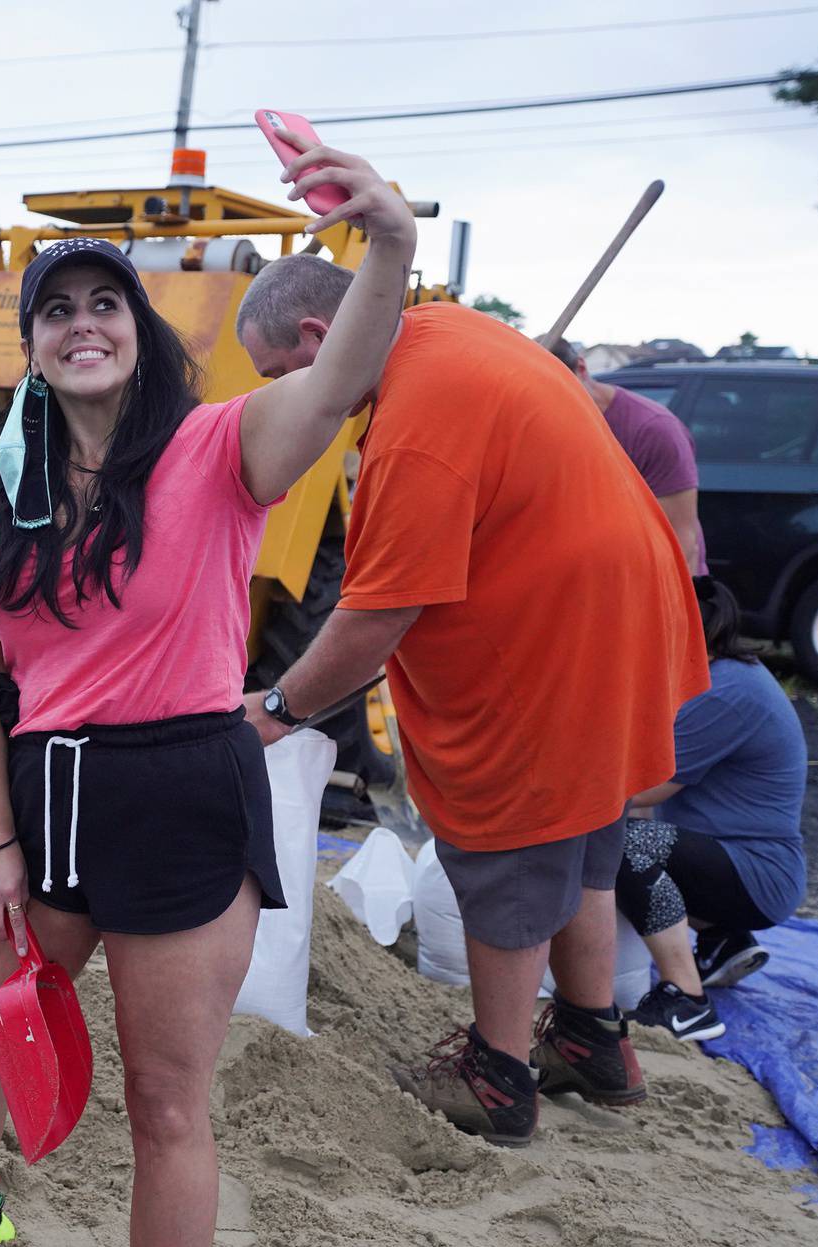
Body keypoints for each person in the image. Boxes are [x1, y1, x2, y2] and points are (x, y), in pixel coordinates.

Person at [0, 138, 417, 1247]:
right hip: (49, 793)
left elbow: (342, 373)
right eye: (56, 307)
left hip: (181, 793)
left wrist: (391, 242)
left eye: (105, 304)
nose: (83, 323)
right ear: (28, 343)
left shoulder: (219, 446)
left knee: (166, 1105)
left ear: (139, 329)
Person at [233, 254, 707, 1148]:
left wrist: (276, 708)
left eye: (279, 379)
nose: (284, 401)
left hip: (551, 634)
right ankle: (590, 1037)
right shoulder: (452, 329)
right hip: (622, 615)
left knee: (511, 842)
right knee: (584, 829)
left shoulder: (413, 426)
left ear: (316, 339)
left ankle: (498, 1076)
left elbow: (375, 620)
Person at [619, 577, 807, 1042]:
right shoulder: (723, 675)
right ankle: (722, 938)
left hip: (759, 873)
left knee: (624, 846)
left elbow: (643, 788)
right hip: (738, 859)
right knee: (629, 838)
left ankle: (687, 1000)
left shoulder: (725, 692)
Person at [548, 338, 706, 575]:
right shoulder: (545, 424)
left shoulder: (653, 430)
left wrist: (668, 609)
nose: (549, 399)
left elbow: (682, 540)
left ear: (581, 369)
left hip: (654, 583)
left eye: (556, 386)